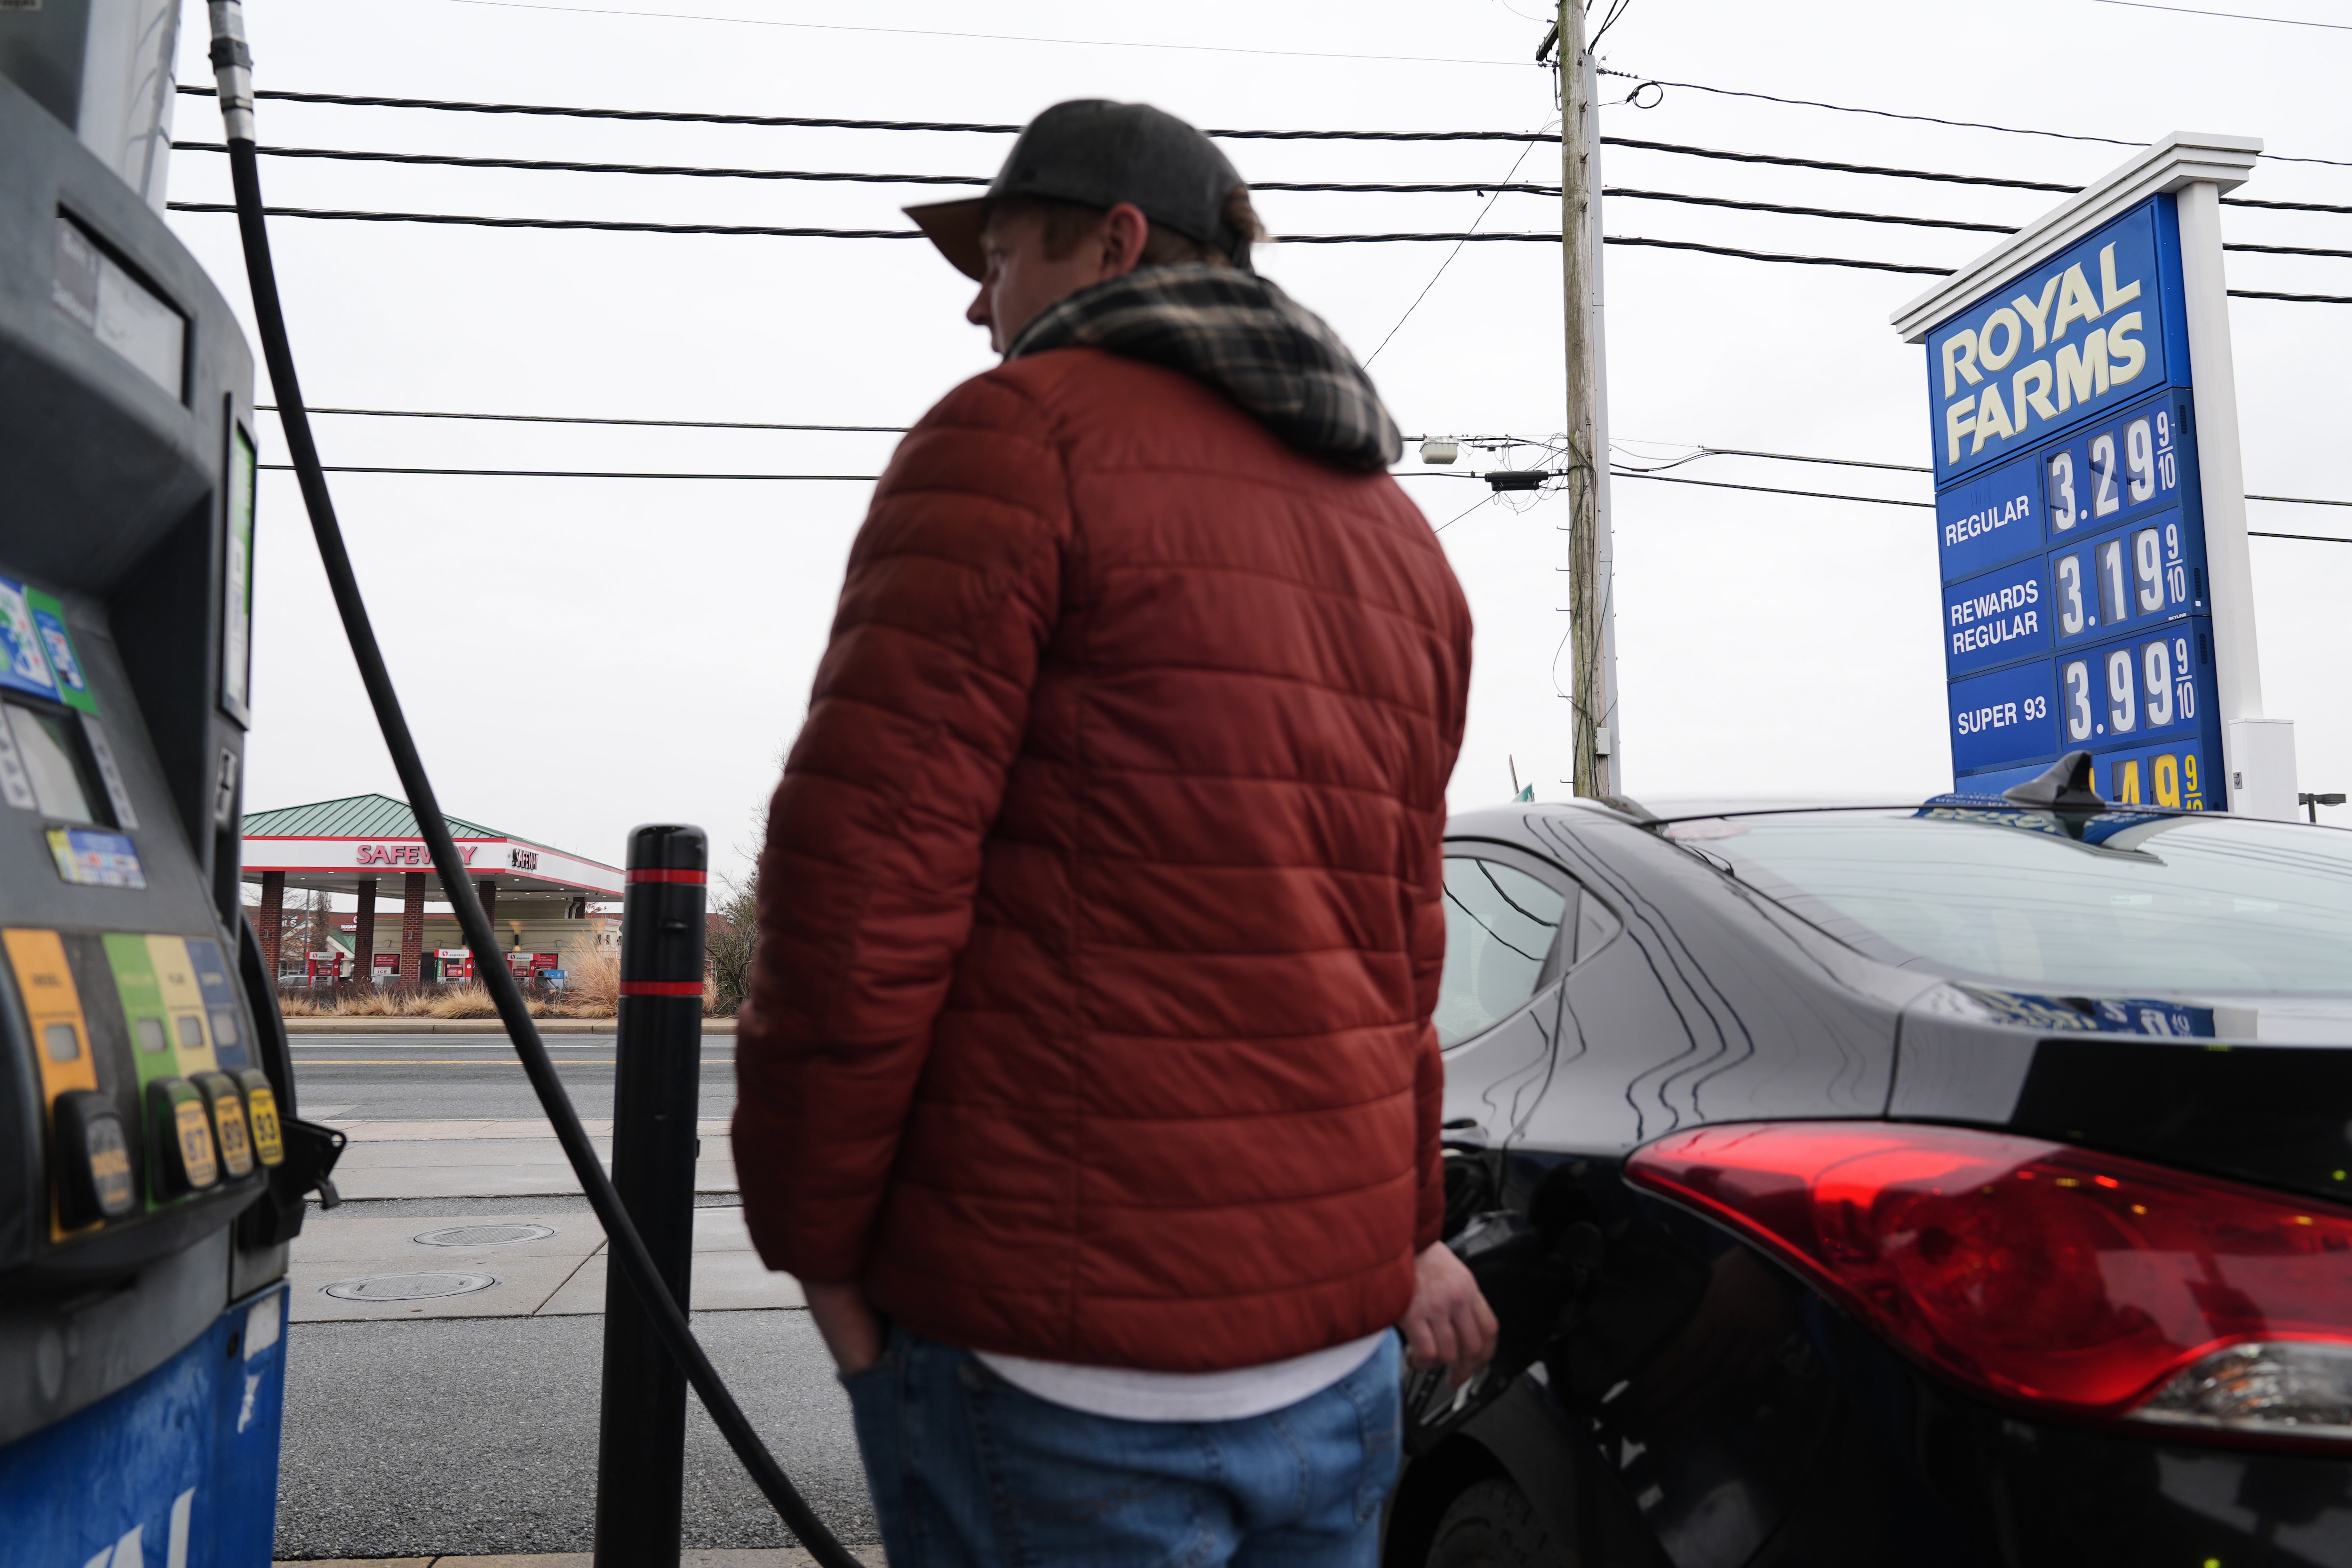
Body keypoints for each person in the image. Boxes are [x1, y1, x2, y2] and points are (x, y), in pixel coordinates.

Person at [735, 98, 1492, 1568]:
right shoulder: (1401, 539)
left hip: (1062, 1367)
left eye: (1001, 253)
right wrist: (1398, 1238)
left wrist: (816, 1243)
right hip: (1337, 1361)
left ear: (1114, 242)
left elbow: (863, 889)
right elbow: (1404, 952)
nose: (977, 296)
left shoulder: (1016, 437)